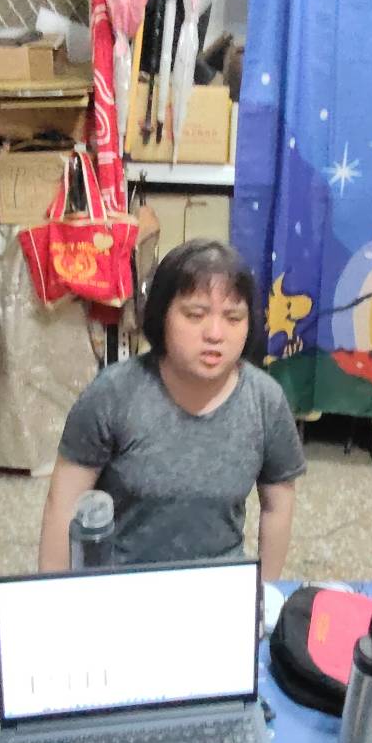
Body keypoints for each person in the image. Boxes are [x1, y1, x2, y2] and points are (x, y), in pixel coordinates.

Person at [39, 239, 305, 577]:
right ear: (162, 315)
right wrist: (51, 595)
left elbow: (277, 507)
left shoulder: (266, 400)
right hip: (123, 581)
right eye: (195, 315)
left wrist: (262, 591)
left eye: (233, 317)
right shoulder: (113, 394)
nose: (215, 334)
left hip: (221, 580)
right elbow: (63, 505)